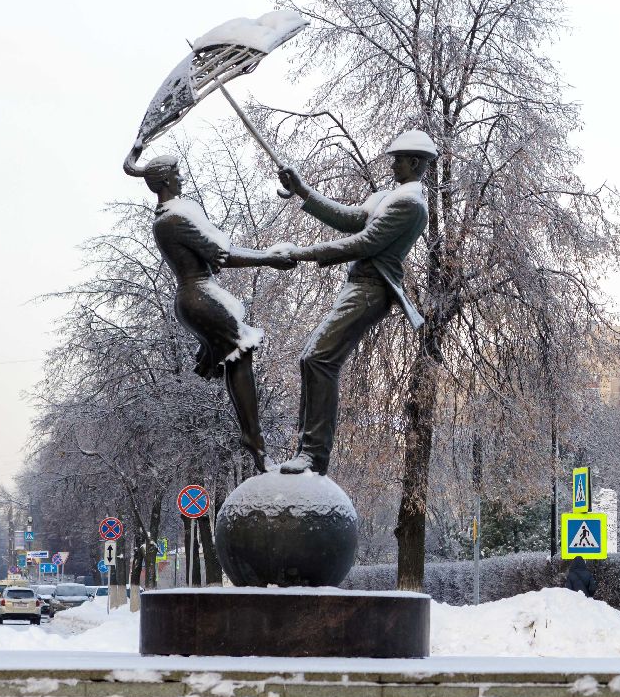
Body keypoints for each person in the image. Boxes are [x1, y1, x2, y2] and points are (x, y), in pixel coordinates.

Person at [271, 130, 438, 475]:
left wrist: (301, 253)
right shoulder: (386, 197)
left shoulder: (411, 204)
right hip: (356, 288)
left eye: (399, 159)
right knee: (311, 359)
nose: (392, 164)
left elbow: (364, 243)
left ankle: (314, 456)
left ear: (416, 163)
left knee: (319, 359)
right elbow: (347, 218)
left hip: (372, 290)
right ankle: (305, 450)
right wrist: (301, 190)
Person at [124, 146, 296, 473]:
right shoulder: (174, 218)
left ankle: (254, 441)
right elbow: (224, 255)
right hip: (198, 295)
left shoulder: (167, 217)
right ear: (163, 181)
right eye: (176, 173)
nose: (181, 177)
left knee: (236, 358)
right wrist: (270, 258)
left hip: (194, 297)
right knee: (239, 354)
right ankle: (254, 442)